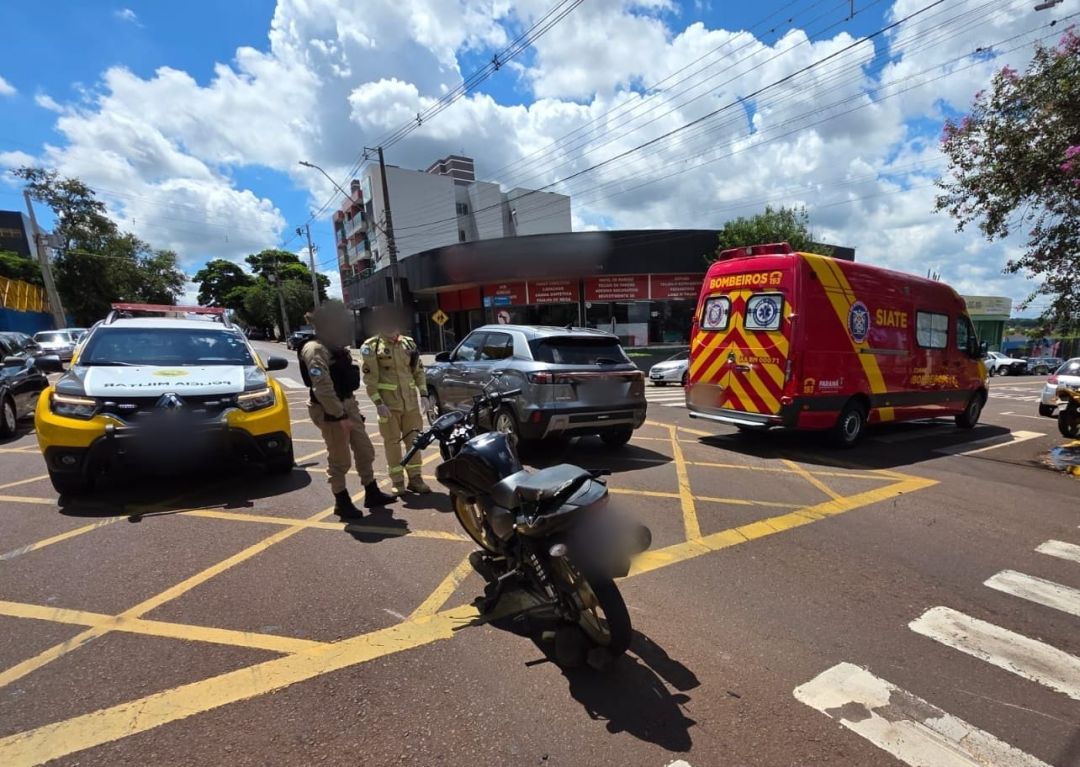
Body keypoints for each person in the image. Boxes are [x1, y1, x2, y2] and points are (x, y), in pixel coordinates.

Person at [298, 301, 396, 518]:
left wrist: (350, 411)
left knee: (365, 451)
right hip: (331, 410)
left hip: (348, 404)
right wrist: (339, 415)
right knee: (340, 459)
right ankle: (341, 502)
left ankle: (371, 491)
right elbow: (322, 387)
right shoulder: (314, 349)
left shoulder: (335, 346)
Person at [360, 306, 432, 494]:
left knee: (414, 442)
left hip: (411, 404)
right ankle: (398, 481)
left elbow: (418, 371)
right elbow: (370, 380)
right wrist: (378, 403)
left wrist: (424, 394)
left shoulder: (408, 344)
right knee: (392, 444)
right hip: (389, 406)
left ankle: (415, 479)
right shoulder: (372, 346)